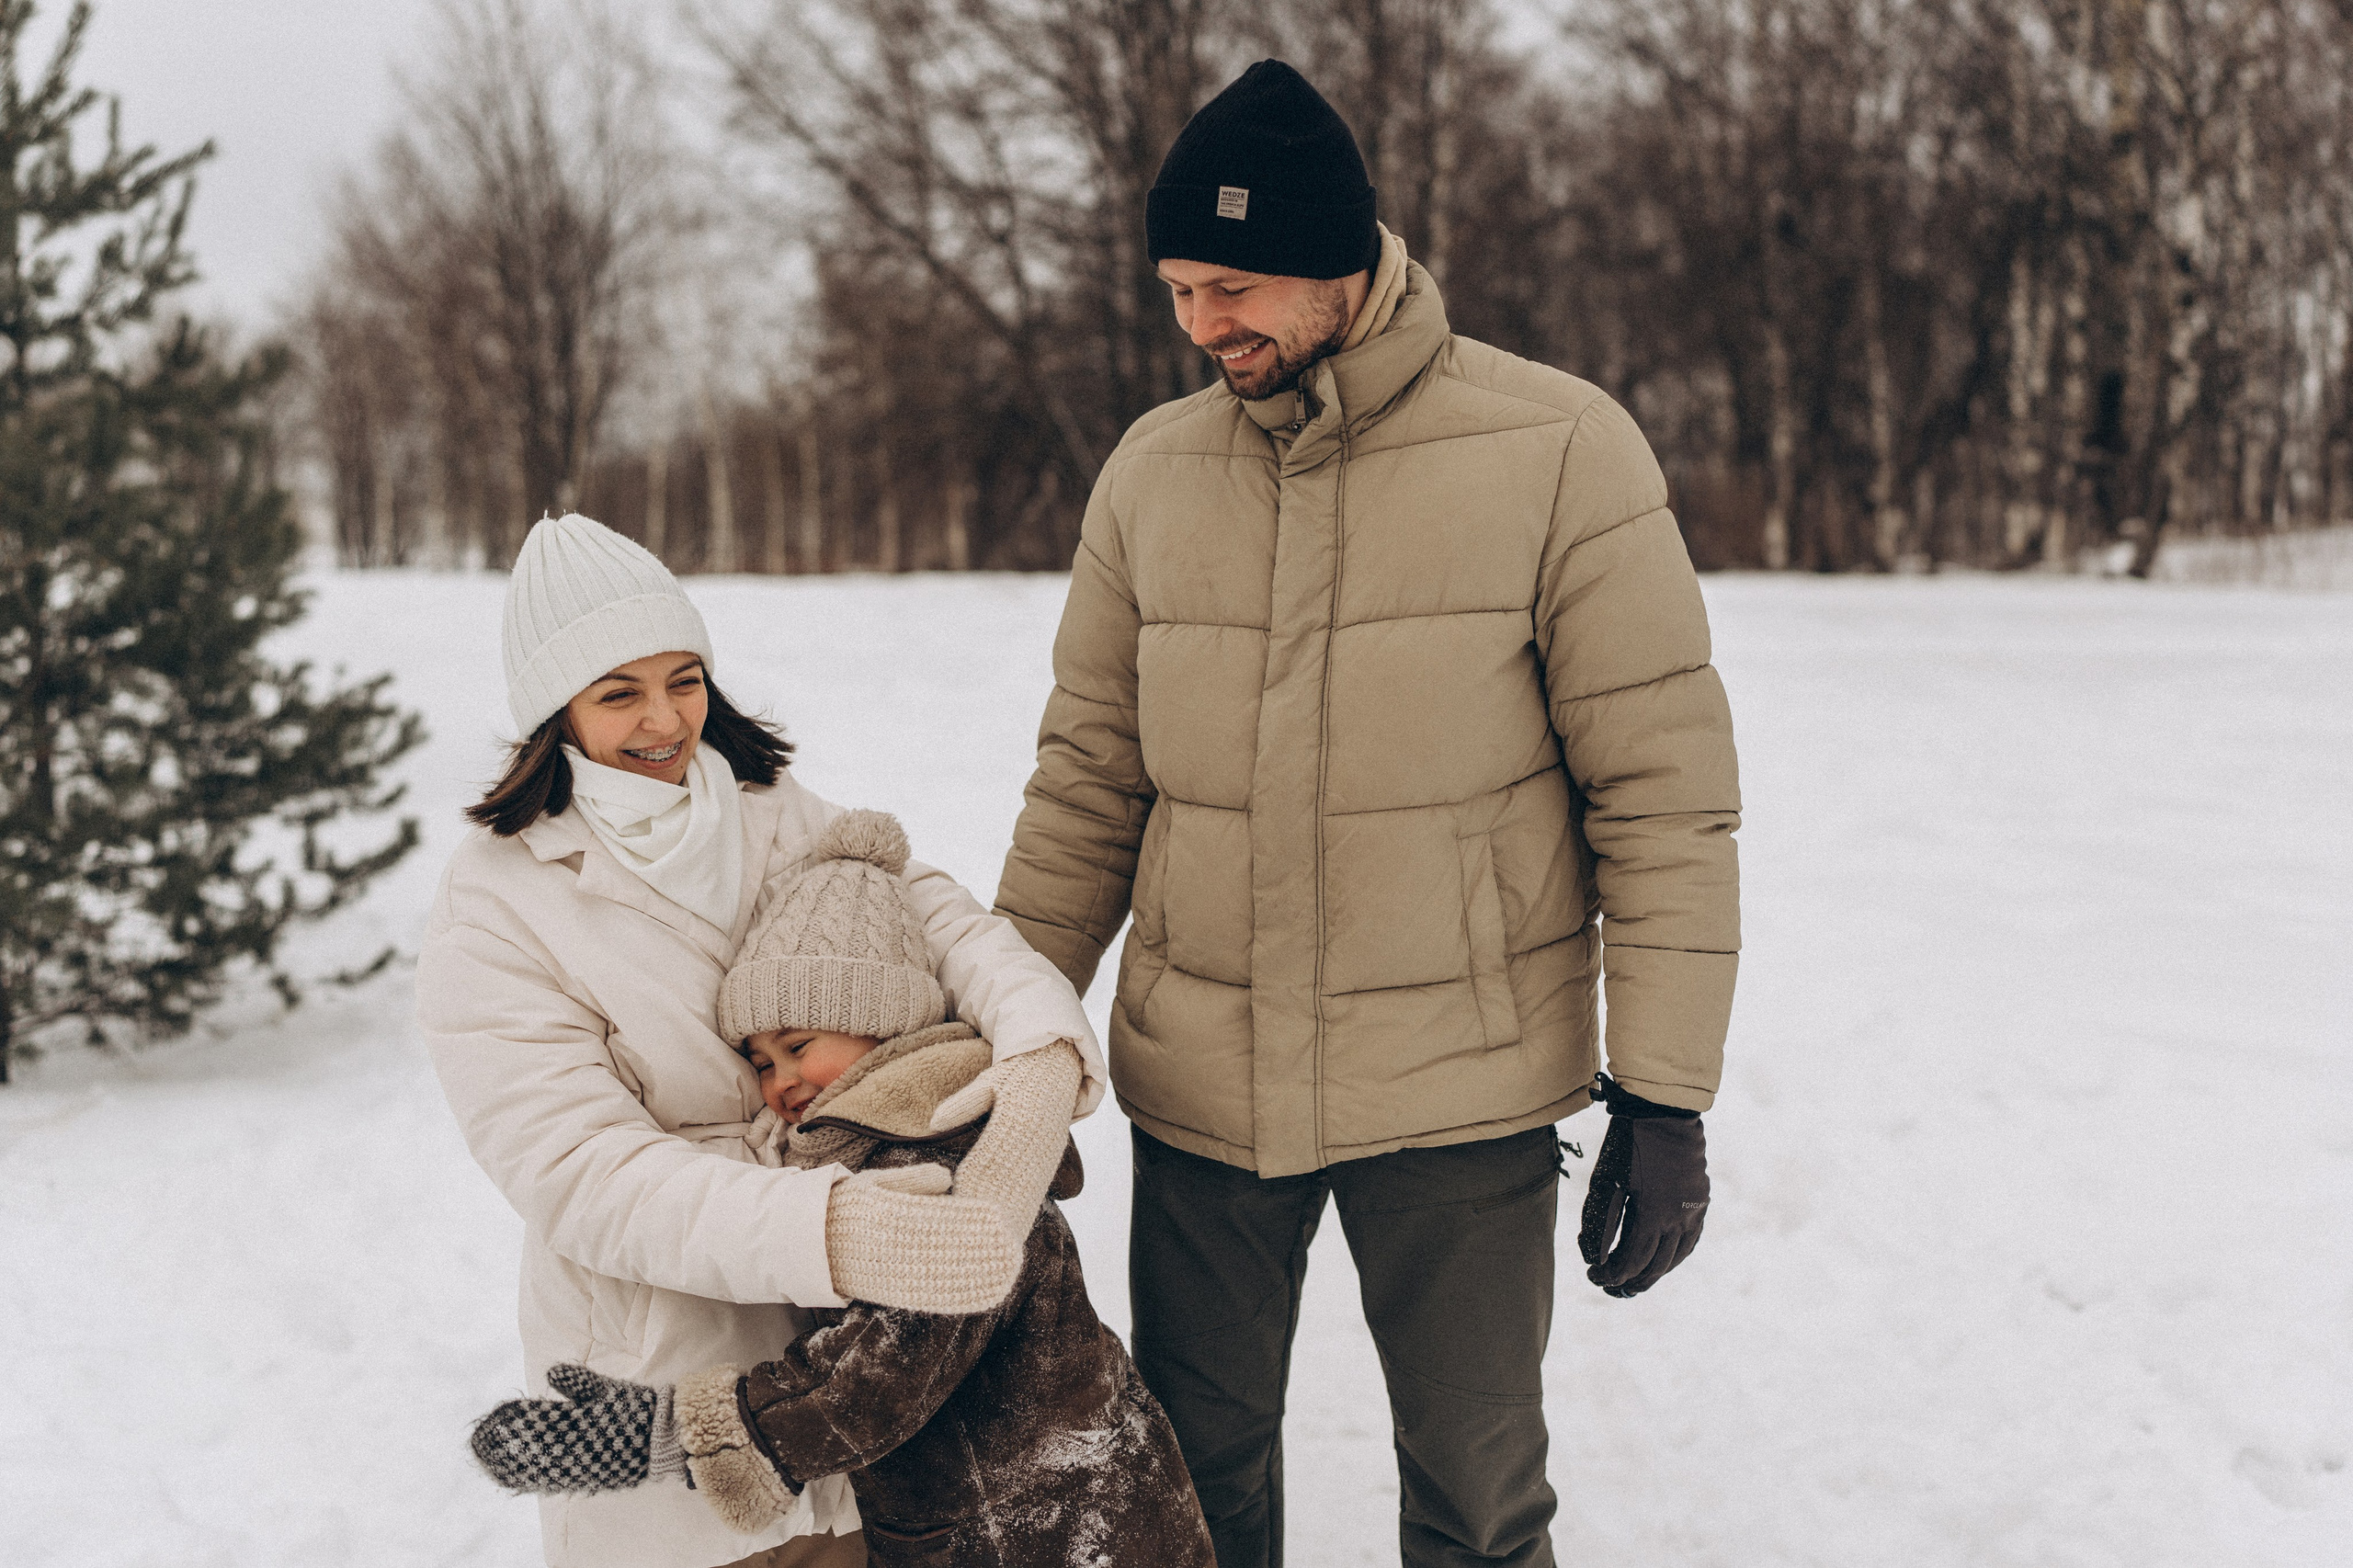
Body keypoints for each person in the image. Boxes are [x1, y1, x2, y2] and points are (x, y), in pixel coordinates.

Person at [991, 61, 1743, 1568]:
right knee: (1184, 1495)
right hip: (1205, 1088)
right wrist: (1005, 1037)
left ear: (1346, 260)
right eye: (1182, 289)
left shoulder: (1558, 453)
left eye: (1237, 285)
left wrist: (1663, 1095)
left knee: (1477, 1495)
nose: (1207, 326)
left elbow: (1660, 796)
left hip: (1457, 1088)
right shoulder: (1153, 473)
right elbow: (1090, 778)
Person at [418, 512, 1100, 1568]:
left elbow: (932, 914)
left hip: (849, 1388)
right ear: (553, 711)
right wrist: (838, 1230)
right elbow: (581, 1171)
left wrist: (1039, 1044)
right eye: (618, 692)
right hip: (670, 1368)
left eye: (682, 677)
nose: (664, 719)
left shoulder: (765, 807)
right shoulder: (496, 905)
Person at [468, 810, 1216, 1568]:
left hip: (1059, 1530)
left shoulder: (933, 1158)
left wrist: (674, 1436)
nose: (779, 1081)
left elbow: (883, 1370)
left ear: (883, 1023)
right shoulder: (877, 1142)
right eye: (759, 1061)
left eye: (798, 1047)